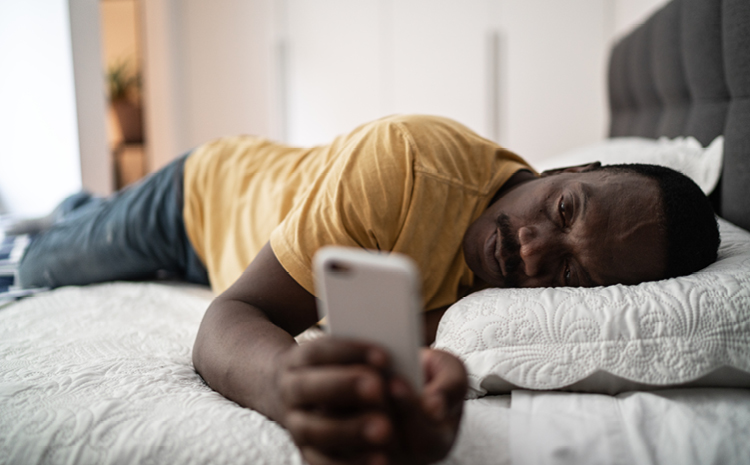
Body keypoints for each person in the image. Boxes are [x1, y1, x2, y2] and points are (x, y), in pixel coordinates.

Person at [17, 114, 720, 465]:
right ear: (577, 168)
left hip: (245, 216)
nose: (535, 248)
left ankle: (82, 209)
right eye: (566, 209)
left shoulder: (521, 303)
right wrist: (284, 381)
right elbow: (233, 314)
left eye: (573, 272)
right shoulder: (405, 169)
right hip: (199, 199)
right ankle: (72, 212)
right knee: (36, 266)